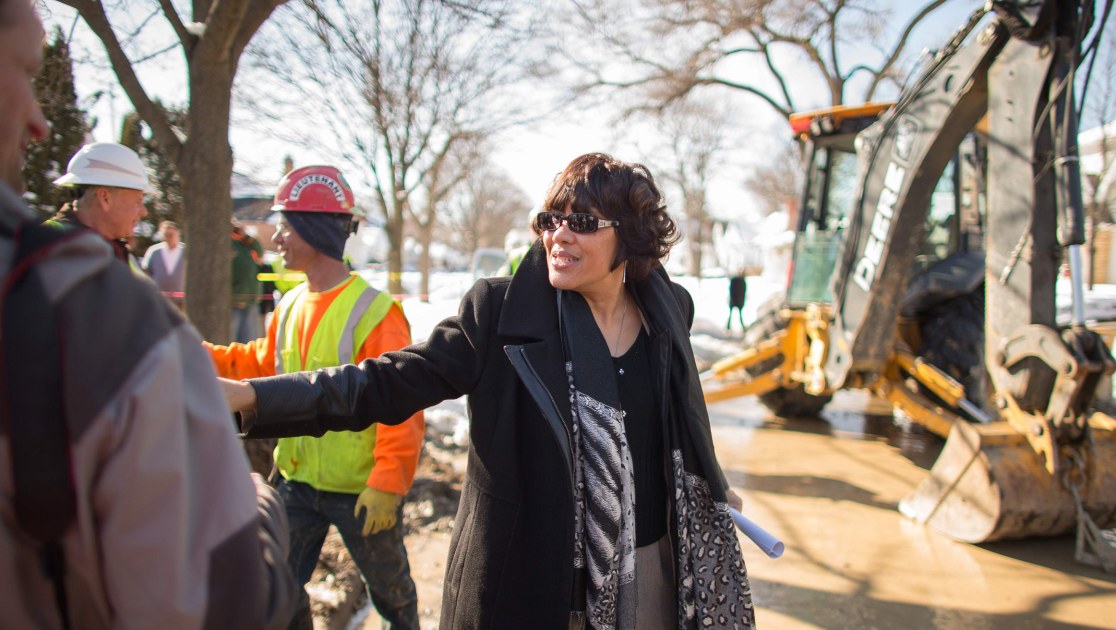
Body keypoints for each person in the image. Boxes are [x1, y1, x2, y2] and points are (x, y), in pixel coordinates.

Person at [223, 153, 756, 629]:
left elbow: (679, 413)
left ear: (632, 237)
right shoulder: (499, 315)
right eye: (550, 220)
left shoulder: (669, 311)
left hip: (648, 573)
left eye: (583, 223)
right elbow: (383, 381)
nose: (559, 236)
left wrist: (709, 477)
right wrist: (253, 398)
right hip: (531, 585)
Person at [0, 1, 296, 627]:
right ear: (103, 196)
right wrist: (256, 501)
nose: (36, 121)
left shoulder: (86, 266)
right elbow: (215, 599)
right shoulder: (77, 293)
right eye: (25, 72)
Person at [206, 165, 425, 630]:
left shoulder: (376, 312)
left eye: (285, 226)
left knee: (393, 599)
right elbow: (262, 366)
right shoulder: (288, 304)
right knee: (275, 590)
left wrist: (388, 482)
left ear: (314, 230)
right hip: (297, 481)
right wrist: (200, 357)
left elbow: (401, 405)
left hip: (361, 488)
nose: (276, 239)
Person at [48, 141, 150, 272]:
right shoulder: (48, 247)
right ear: (105, 198)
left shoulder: (117, 251)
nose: (144, 212)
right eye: (138, 201)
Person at [231, 219, 265, 342]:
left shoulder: (246, 245)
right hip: (234, 300)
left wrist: (247, 238)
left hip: (250, 299)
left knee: (250, 339)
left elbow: (260, 254)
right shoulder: (228, 243)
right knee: (232, 338)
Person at [142, 219, 186, 307]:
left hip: (182, 301)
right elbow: (146, 271)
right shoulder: (154, 251)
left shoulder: (186, 251)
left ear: (177, 234)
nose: (168, 237)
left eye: (171, 235)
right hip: (159, 300)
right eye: (166, 235)